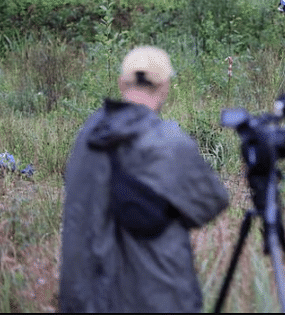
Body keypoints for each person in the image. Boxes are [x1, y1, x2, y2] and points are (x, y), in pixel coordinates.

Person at [59, 46, 229, 313]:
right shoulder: (167, 141)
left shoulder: (87, 136)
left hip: (86, 296)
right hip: (155, 296)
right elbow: (211, 203)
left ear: (121, 83)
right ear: (164, 87)